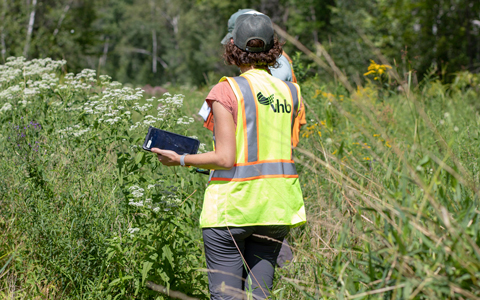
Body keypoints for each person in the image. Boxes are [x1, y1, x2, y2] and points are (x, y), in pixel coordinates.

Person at [152, 13, 306, 299]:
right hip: (277, 208)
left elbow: (224, 158)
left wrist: (180, 159)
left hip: (232, 209)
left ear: (233, 46)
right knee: (260, 295)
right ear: (274, 47)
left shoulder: (227, 90)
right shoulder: (291, 92)